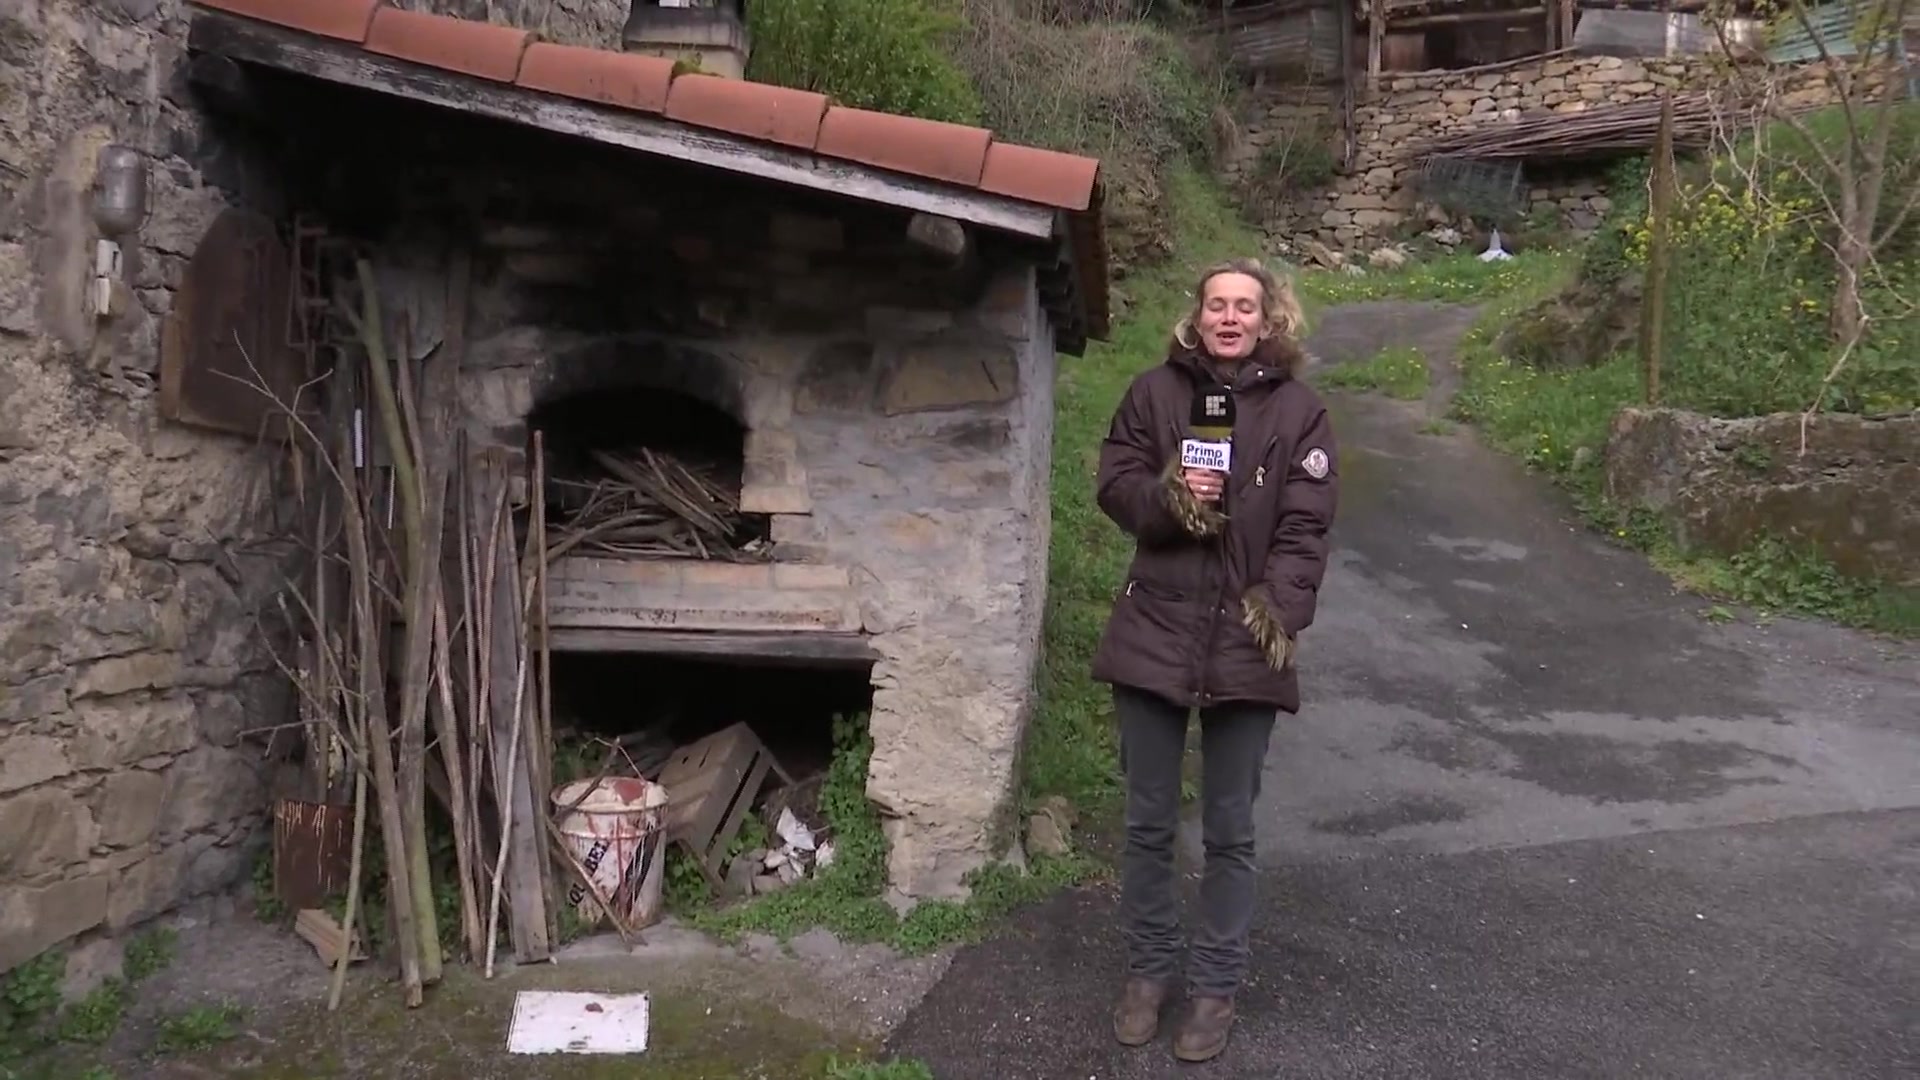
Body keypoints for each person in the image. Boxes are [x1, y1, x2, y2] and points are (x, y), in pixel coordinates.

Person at [1090, 257, 1338, 1063]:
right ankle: (1149, 972)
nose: (1230, 318)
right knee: (1148, 821)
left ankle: (1214, 988)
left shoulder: (1300, 412)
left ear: (1269, 321)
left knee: (1230, 827)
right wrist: (1169, 497)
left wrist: (1280, 609)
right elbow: (1115, 483)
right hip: (1156, 627)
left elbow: (1307, 528)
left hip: (1243, 638)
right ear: (1195, 319)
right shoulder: (1154, 394)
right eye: (1216, 305)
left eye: (1245, 307)